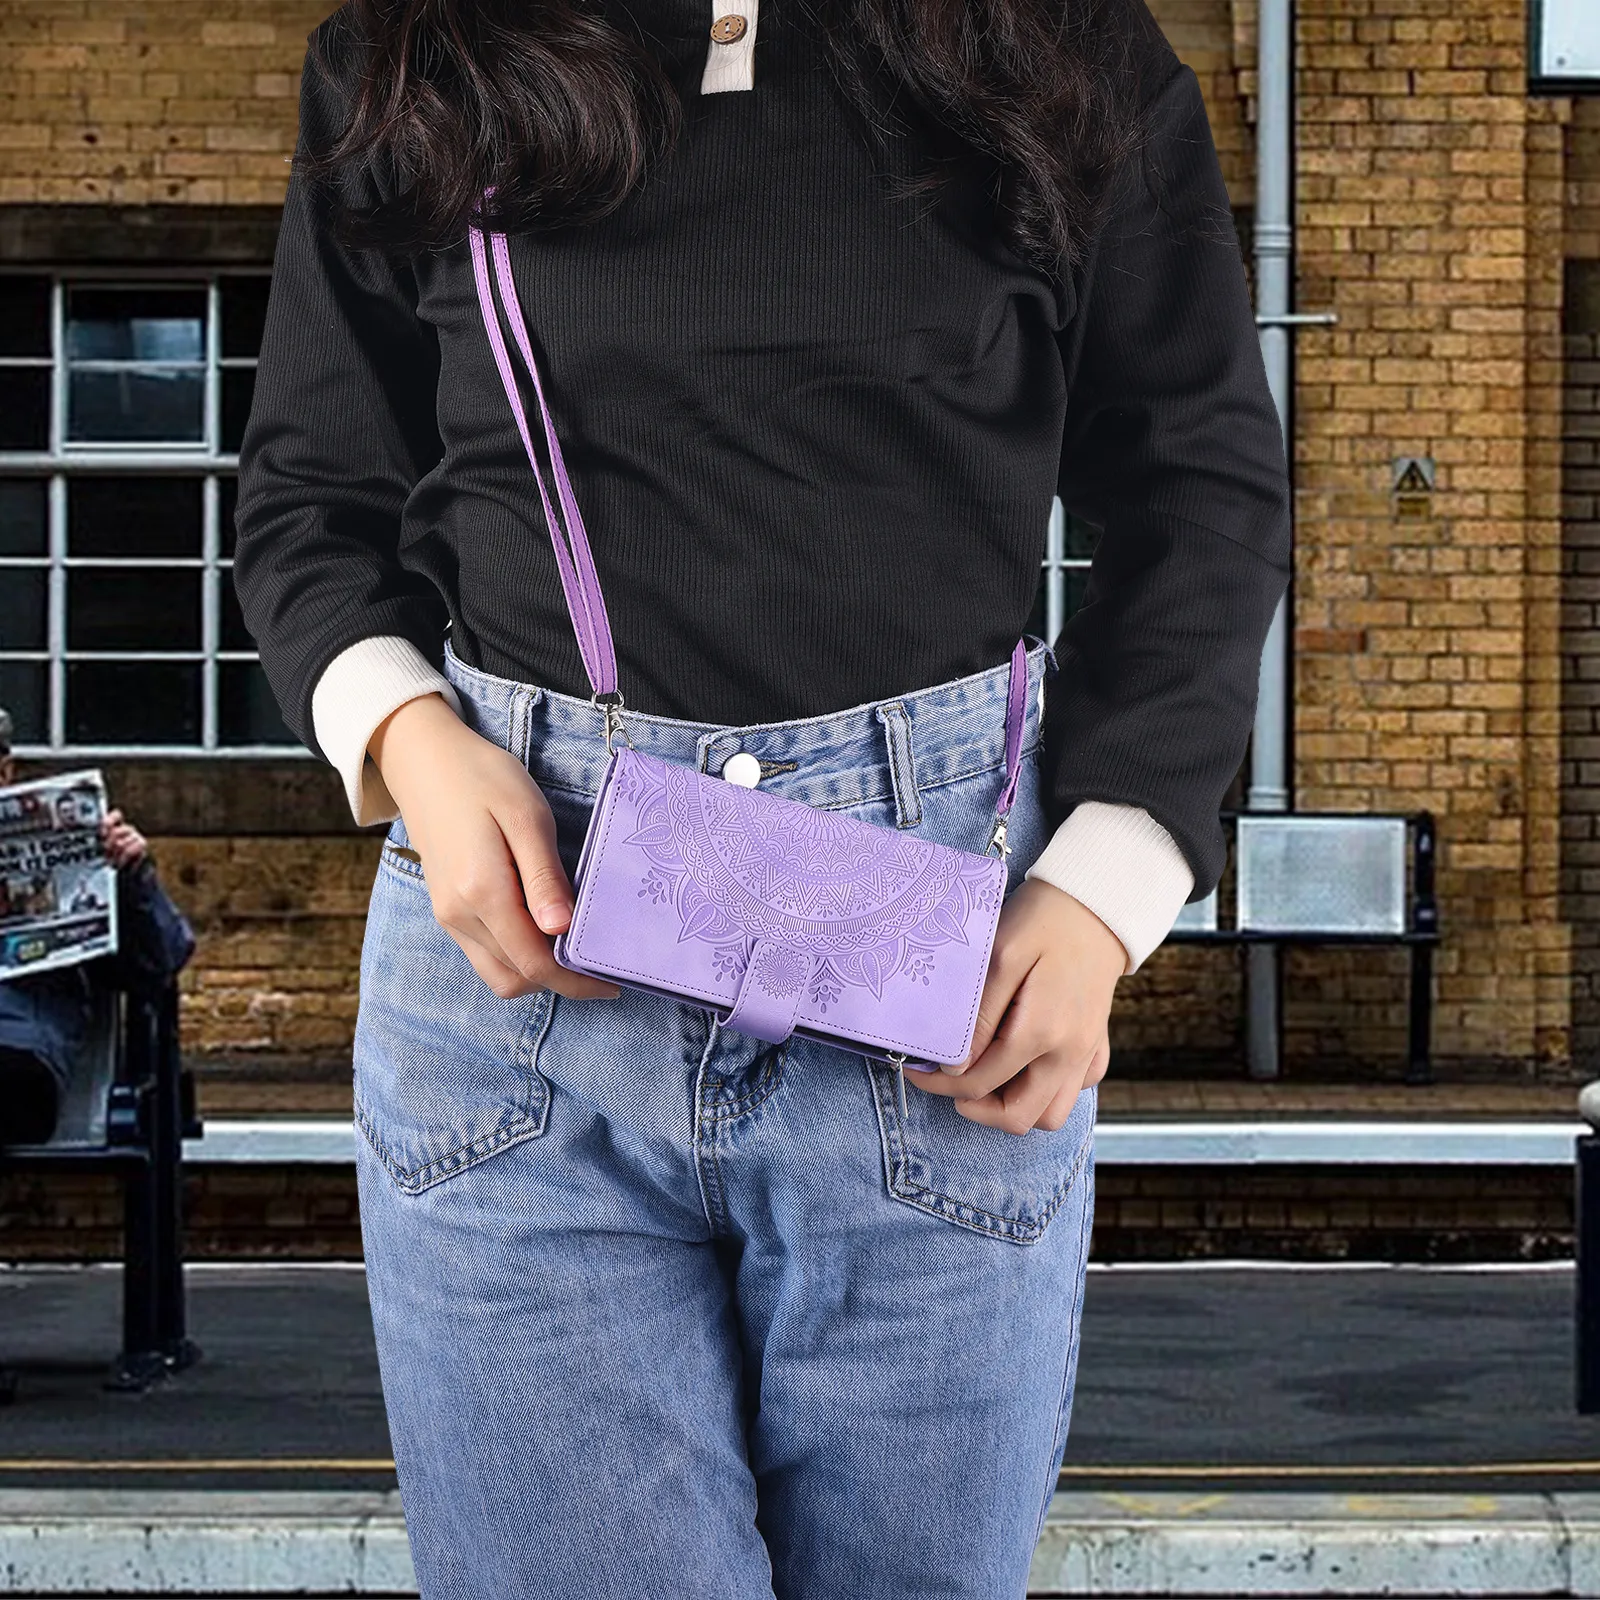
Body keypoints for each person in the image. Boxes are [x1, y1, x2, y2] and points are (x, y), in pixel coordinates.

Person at [233, 0, 1292, 1591]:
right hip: (530, 977)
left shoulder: (1064, 44)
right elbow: (312, 494)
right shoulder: (411, 51)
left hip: (945, 971)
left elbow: (1199, 480)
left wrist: (1108, 884)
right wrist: (411, 742)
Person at [0, 709, 196, 1147]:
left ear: (5, 773)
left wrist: (131, 876)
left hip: (14, 1056)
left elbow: (160, 962)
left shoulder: (84, 851)